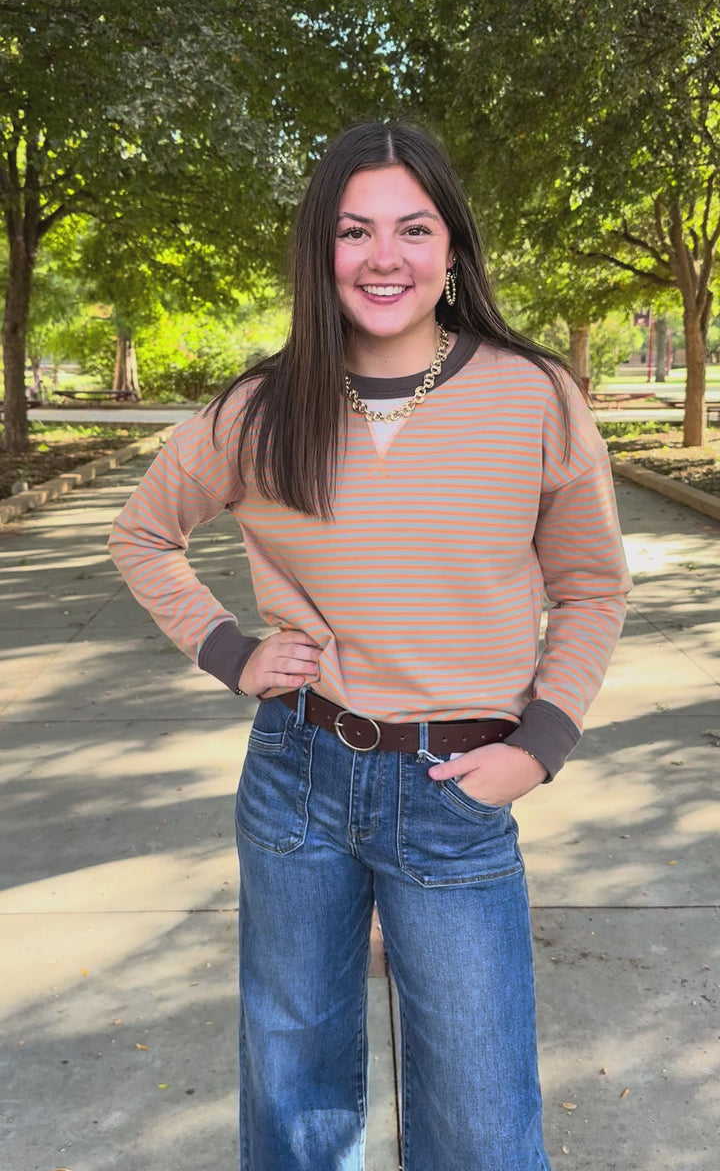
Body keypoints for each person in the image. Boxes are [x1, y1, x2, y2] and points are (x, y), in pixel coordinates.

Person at [107, 121, 631, 1171]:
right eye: (354, 231)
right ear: (322, 249)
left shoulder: (533, 395)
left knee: (483, 1120)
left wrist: (541, 743)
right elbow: (143, 534)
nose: (383, 256)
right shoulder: (259, 409)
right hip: (297, 776)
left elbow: (590, 584)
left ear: (453, 246)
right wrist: (230, 651)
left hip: (457, 790)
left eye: (413, 228)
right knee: (295, 1092)